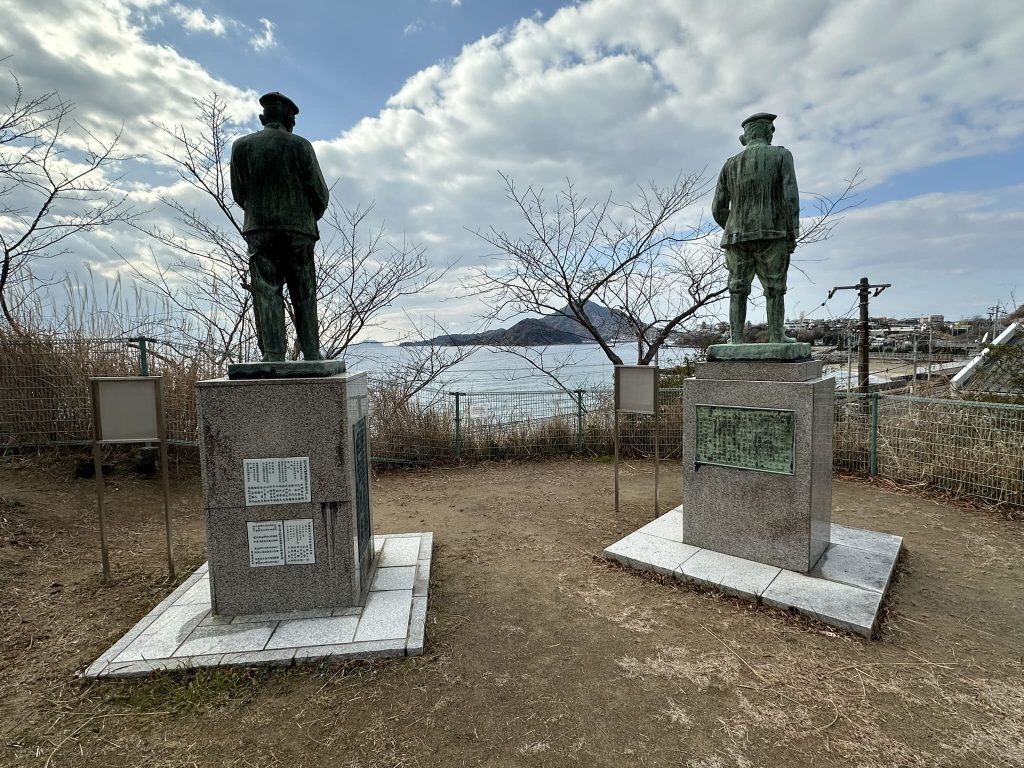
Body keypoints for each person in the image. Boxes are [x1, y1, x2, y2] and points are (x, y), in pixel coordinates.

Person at [230, 91, 330, 361]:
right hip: (298, 231)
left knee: (266, 290)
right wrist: (305, 218)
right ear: (289, 120)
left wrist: (261, 215)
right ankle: (311, 352)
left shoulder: (242, 147)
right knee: (304, 292)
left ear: (263, 117)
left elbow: (239, 193)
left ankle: (274, 354)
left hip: (260, 229)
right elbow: (319, 193)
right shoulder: (300, 146)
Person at [712, 112, 800, 345]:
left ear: (745, 137)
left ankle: (736, 339)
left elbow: (717, 207)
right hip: (773, 232)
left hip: (735, 237)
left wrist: (734, 225)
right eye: (771, 131)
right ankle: (775, 337)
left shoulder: (729, 165)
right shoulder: (781, 155)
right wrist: (792, 233)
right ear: (767, 132)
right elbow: (790, 198)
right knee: (774, 287)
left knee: (737, 289)